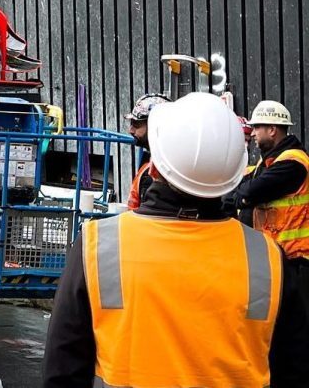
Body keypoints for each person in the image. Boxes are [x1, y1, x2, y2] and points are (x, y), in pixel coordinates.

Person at [43, 92, 309, 388]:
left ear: (154, 166)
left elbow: (63, 369)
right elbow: (293, 370)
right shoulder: (268, 260)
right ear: (235, 175)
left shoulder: (97, 245)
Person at [231, 100, 309, 314]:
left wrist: (244, 196)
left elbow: (247, 193)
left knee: (296, 331)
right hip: (273, 260)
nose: (253, 133)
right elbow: (237, 193)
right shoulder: (266, 165)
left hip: (295, 262)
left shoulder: (293, 162)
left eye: (257, 127)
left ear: (272, 130)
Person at [124, 94, 170, 209]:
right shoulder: (151, 165)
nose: (130, 130)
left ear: (155, 126)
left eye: (136, 124)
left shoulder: (157, 174)